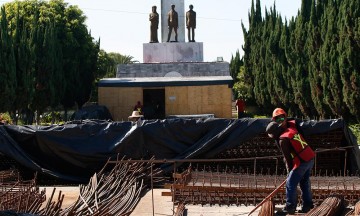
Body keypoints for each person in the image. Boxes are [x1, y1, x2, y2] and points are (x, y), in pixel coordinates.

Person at [266, 108, 315, 215]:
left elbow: (288, 159)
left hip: (302, 161)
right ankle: (308, 205)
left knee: (290, 184)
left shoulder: (282, 140)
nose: (280, 120)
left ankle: (290, 207)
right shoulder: (292, 127)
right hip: (310, 157)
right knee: (304, 182)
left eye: (282, 118)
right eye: (277, 119)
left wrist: (289, 172)